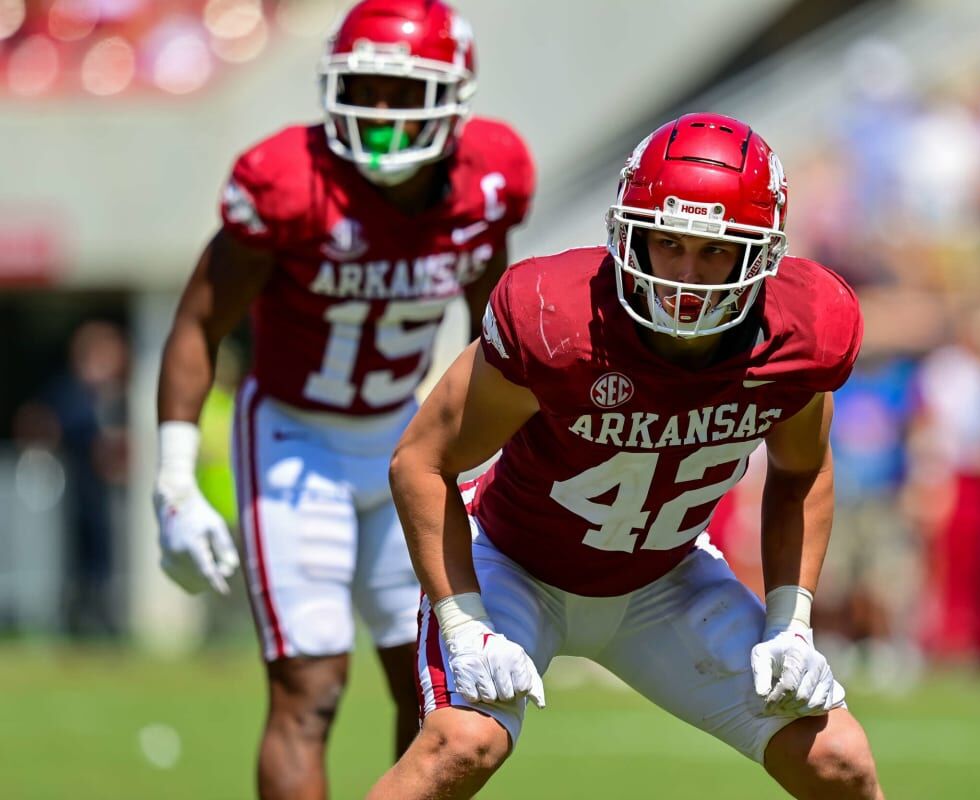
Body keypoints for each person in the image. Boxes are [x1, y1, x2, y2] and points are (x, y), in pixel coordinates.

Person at [372, 113, 882, 799]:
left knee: (838, 760)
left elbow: (801, 471)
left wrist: (791, 624)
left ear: (761, 256)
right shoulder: (558, 321)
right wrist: (464, 624)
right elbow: (421, 462)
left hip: (664, 581)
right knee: (462, 744)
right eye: (667, 243)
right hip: (516, 565)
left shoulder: (801, 333)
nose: (686, 276)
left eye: (714, 251)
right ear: (628, 237)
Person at [152, 1, 534, 797]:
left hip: (404, 441)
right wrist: (175, 478)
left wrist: (491, 447)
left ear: (453, 98)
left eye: (403, 93)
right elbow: (198, 322)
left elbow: (492, 323)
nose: (381, 113)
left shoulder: (486, 182)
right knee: (310, 688)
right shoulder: (289, 181)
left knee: (430, 686)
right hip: (295, 440)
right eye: (364, 87)